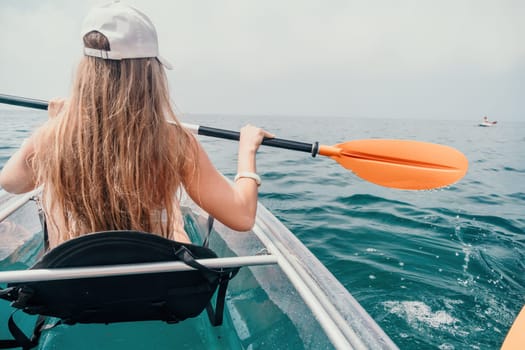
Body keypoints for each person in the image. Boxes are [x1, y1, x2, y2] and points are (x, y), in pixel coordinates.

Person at [0, 2, 273, 249]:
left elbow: (10, 183)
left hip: (75, 298)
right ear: (149, 72)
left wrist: (56, 125)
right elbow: (241, 216)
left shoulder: (53, 137)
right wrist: (247, 151)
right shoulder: (175, 142)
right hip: (152, 294)